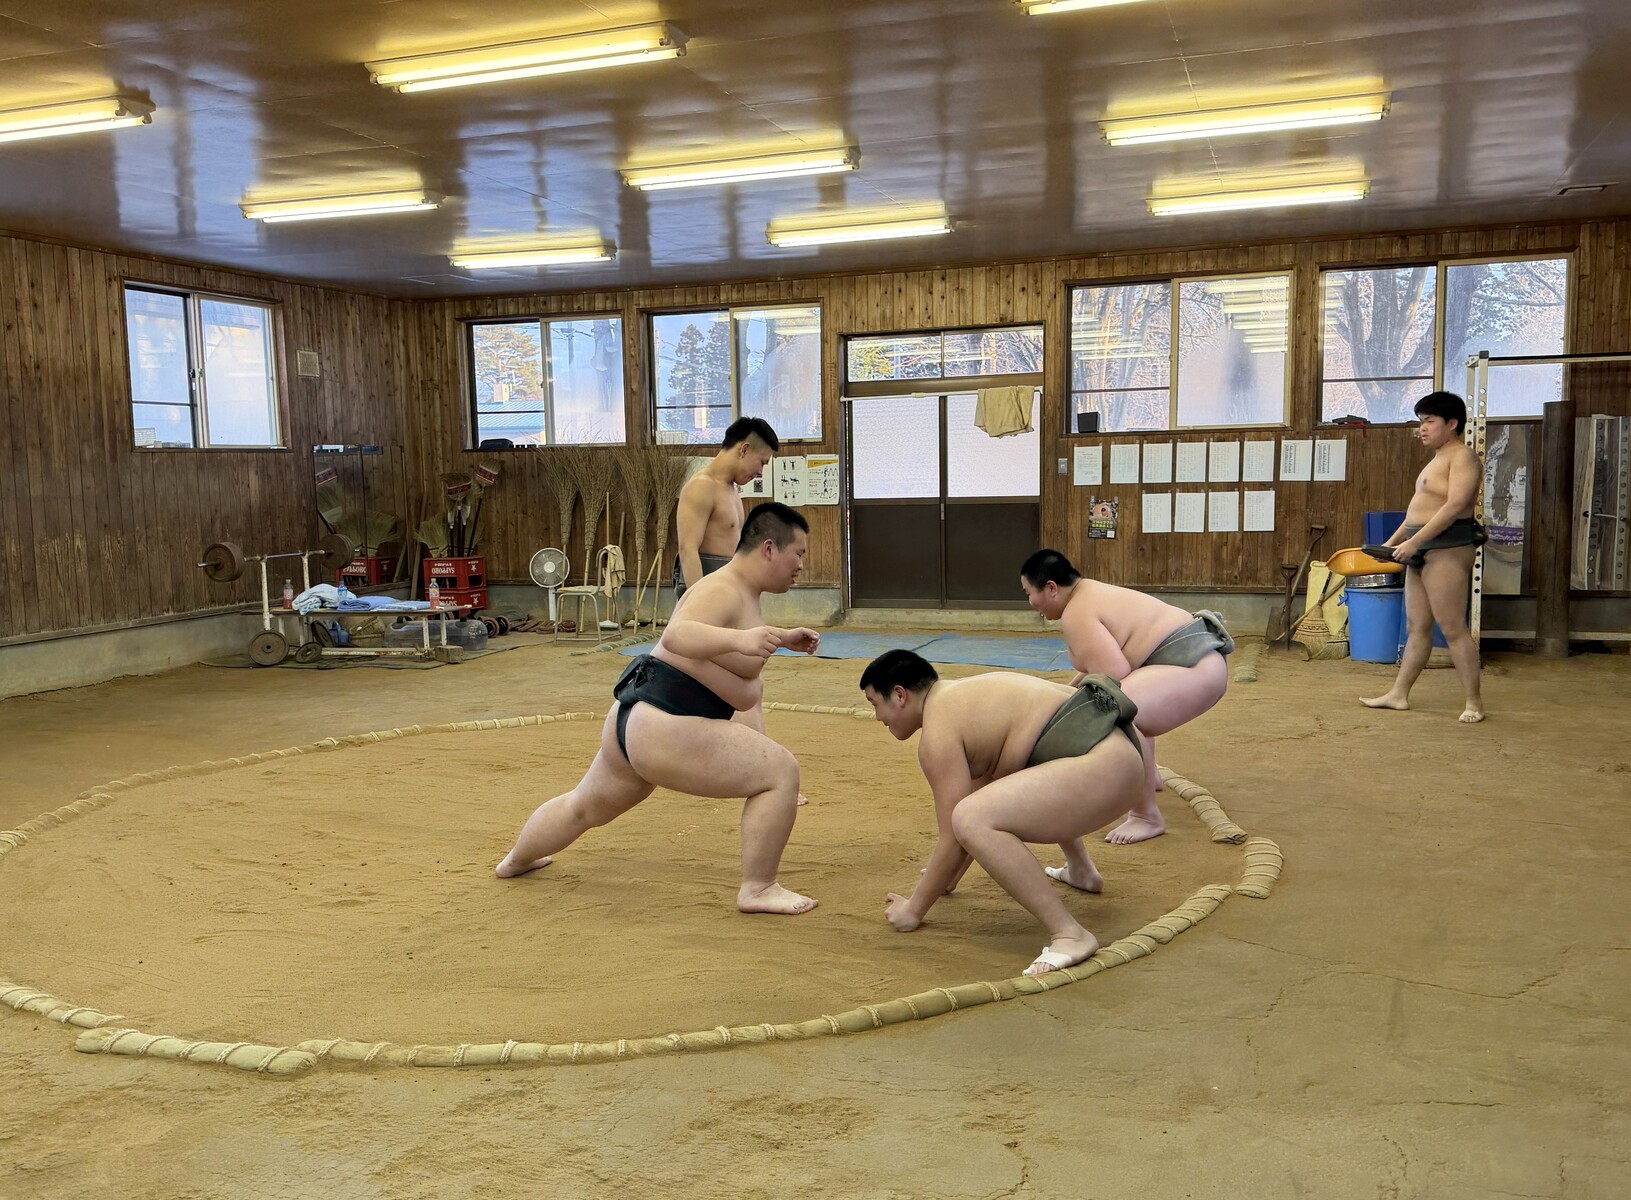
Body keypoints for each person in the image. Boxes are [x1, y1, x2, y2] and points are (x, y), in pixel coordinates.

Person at [496, 502, 821, 915]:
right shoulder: (724, 588)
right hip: (664, 724)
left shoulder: (736, 590)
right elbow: (677, 636)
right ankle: (758, 887)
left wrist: (779, 637)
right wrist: (741, 643)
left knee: (583, 806)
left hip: (638, 718)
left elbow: (727, 672)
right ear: (770, 548)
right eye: (799, 554)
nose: (801, 566)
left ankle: (516, 860)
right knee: (780, 772)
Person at [859, 650, 1146, 977]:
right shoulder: (963, 699)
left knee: (971, 818)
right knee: (998, 791)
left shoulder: (938, 734)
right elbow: (982, 799)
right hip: (1120, 759)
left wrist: (913, 910)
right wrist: (947, 879)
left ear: (899, 695)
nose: (877, 717)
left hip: (1101, 770)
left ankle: (1069, 934)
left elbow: (957, 832)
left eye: (874, 703)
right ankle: (1081, 869)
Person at [1021, 549, 1233, 854]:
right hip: (1198, 660)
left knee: (1117, 711)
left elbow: (1114, 677)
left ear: (1051, 588)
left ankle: (1145, 815)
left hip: (1194, 667)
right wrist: (1064, 694)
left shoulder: (1077, 612)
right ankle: (1148, 775)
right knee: (1133, 697)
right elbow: (1107, 668)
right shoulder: (1089, 593)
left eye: (1029, 592)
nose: (1030, 602)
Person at [1362, 390, 1486, 722]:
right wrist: (1391, 544)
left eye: (1429, 421)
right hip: (1420, 547)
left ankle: (1474, 702)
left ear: (1452, 423)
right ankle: (1398, 694)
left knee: (1453, 627)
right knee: (1417, 626)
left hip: (1447, 549)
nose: (1423, 429)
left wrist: (1414, 543)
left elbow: (1456, 505)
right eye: (1420, 422)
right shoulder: (1435, 460)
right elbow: (1415, 513)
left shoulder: (1463, 457)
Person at [674, 417, 779, 598]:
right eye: (762, 462)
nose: (761, 472)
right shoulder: (701, 486)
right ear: (744, 449)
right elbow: (687, 550)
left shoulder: (731, 489)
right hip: (707, 590)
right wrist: (699, 604)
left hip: (730, 586)